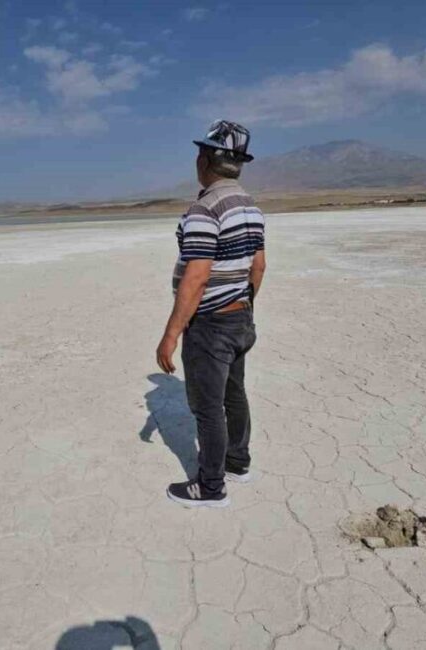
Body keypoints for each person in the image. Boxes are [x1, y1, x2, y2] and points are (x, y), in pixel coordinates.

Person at [155, 119, 266, 508]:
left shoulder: (205, 208)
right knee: (234, 394)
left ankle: (211, 486)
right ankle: (238, 462)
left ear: (205, 159)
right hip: (240, 318)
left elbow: (197, 276)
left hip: (210, 325)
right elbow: (259, 267)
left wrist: (172, 333)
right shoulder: (250, 207)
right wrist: (243, 304)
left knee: (207, 407)